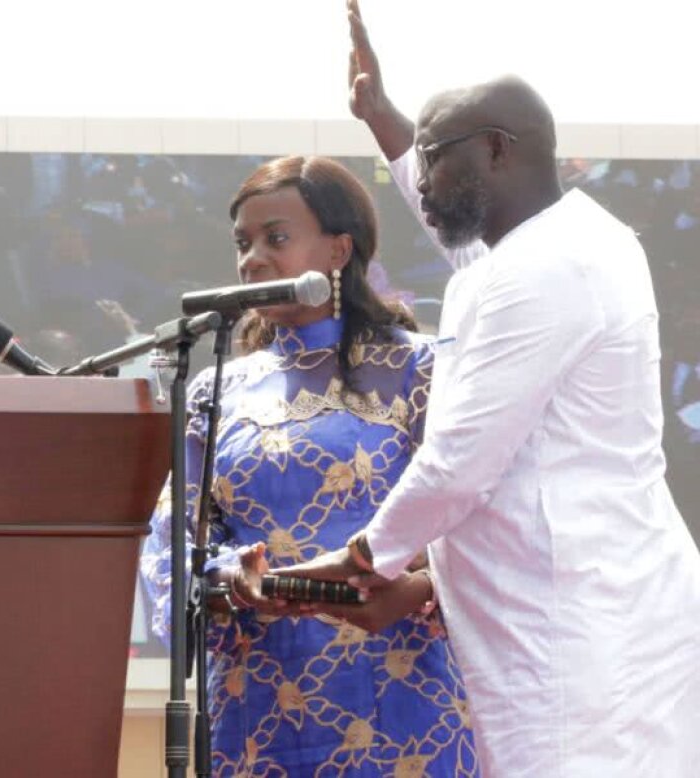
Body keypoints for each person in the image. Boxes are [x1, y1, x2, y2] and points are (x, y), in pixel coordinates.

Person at [282, 3, 700, 775]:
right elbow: (461, 242)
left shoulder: (546, 269)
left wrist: (366, 558)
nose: (422, 182)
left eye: (437, 158)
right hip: (582, 610)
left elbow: (458, 464)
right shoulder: (558, 243)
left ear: (499, 151)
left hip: (575, 627)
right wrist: (385, 120)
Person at [140, 155, 477, 776]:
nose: (253, 260)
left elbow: (477, 516)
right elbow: (171, 541)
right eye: (243, 244)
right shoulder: (215, 389)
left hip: (405, 691)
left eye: (276, 239)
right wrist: (226, 581)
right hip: (259, 693)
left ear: (339, 249)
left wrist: (419, 591)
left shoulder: (424, 369)